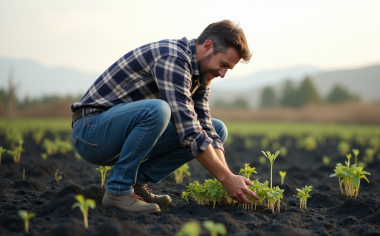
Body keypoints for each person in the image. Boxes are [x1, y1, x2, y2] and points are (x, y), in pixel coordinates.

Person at [71, 20, 259, 213]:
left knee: (217, 128)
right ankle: (118, 190)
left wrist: (227, 175)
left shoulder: (200, 75)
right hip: (90, 132)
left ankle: (136, 182)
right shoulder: (173, 58)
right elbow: (189, 130)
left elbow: (205, 127)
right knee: (158, 110)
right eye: (223, 64)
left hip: (118, 134)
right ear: (208, 46)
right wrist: (226, 180)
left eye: (228, 69)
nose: (222, 73)